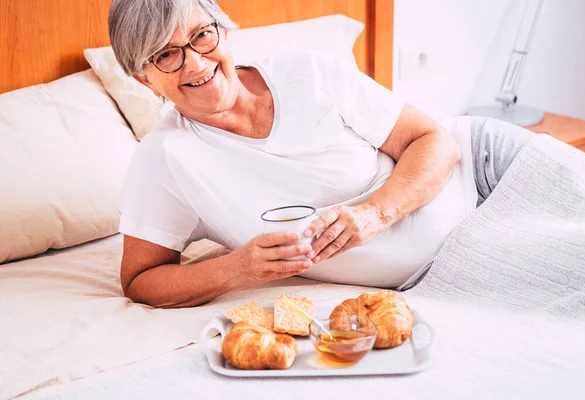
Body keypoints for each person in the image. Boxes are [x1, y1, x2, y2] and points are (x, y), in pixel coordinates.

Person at [109, 0, 534, 308]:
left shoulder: (308, 72)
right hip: (451, 267)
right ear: (144, 79)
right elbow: (141, 280)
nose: (196, 63)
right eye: (167, 54)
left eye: (201, 35)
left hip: (485, 167)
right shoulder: (165, 159)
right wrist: (236, 269)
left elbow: (437, 141)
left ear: (222, 29)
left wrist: (375, 214)